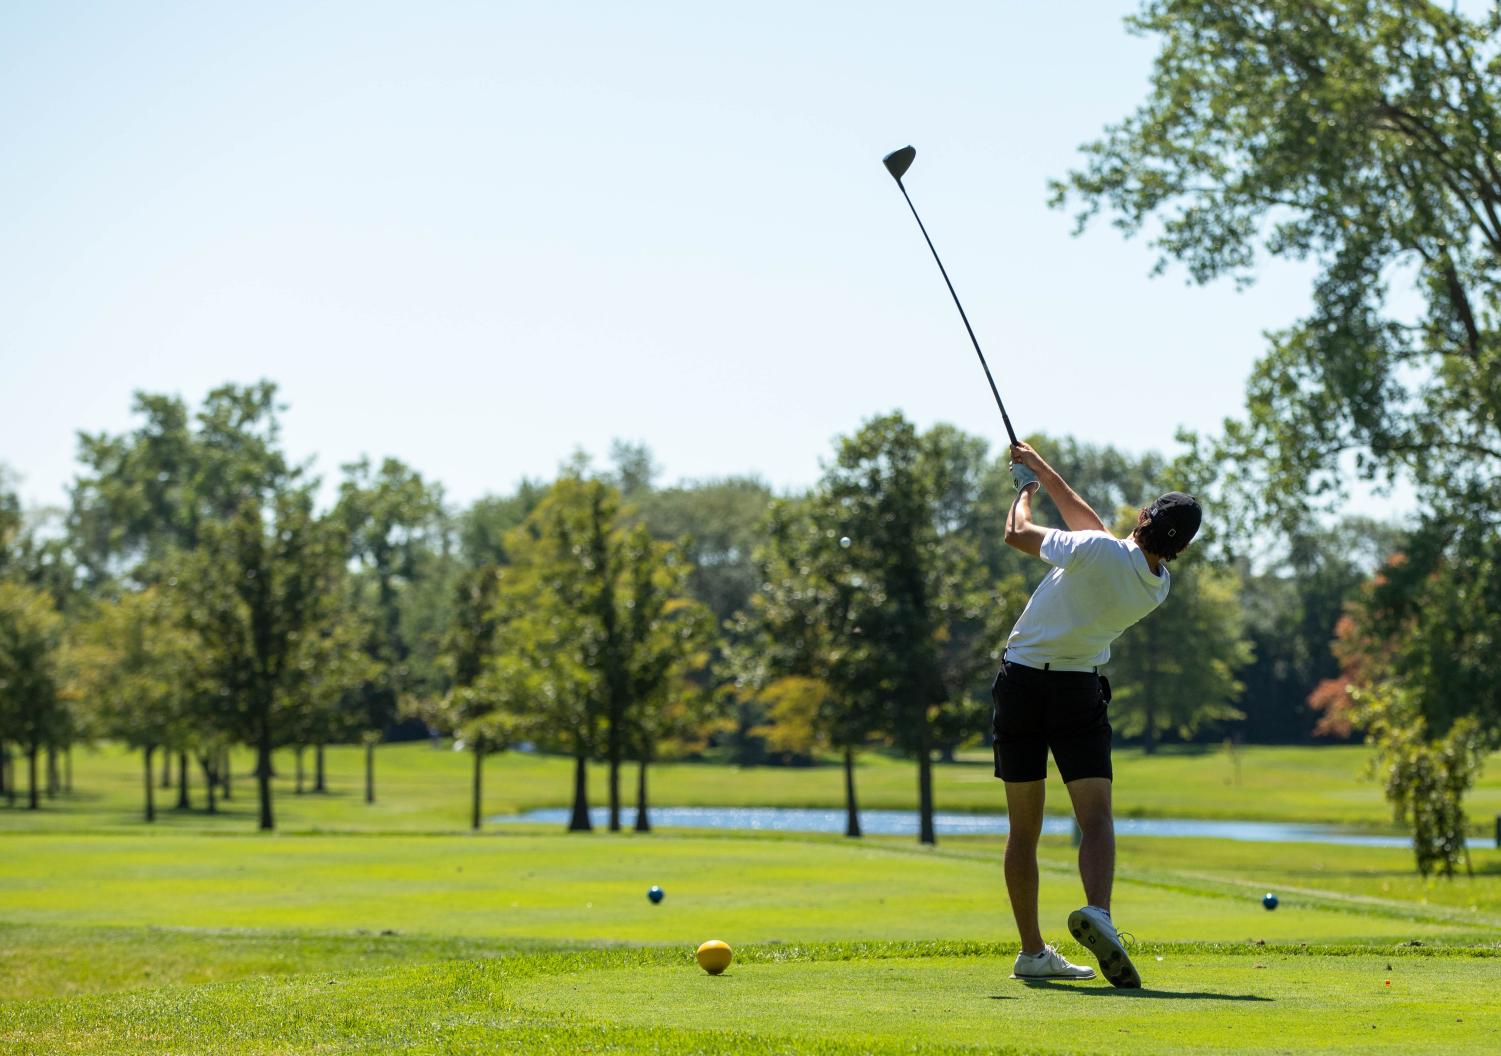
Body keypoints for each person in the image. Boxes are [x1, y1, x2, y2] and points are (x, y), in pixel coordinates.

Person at [995, 441, 1201, 988]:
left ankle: (1032, 950)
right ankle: (1099, 913)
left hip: (1020, 684)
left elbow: (1018, 533)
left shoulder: (1095, 550)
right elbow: (1094, 530)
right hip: (1077, 693)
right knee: (1097, 820)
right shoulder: (1156, 586)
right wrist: (1040, 469)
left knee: (1024, 829)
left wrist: (1023, 493)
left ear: (1143, 517)